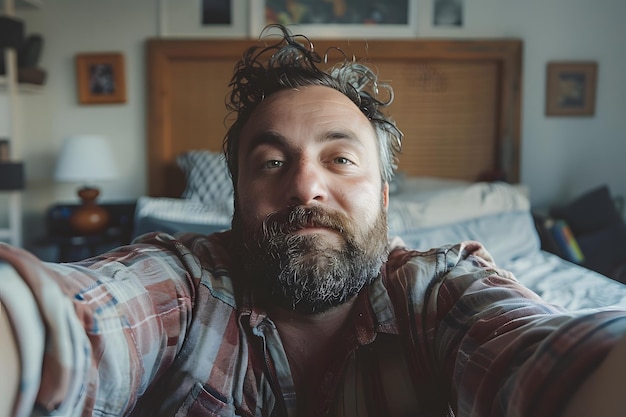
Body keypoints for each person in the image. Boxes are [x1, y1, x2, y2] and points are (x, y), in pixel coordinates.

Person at [2, 24, 626, 417]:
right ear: (237, 196)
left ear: (384, 195)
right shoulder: (184, 280)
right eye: (271, 161)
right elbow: (83, 320)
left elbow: (543, 358)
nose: (305, 185)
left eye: (340, 159)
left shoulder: (439, 291)